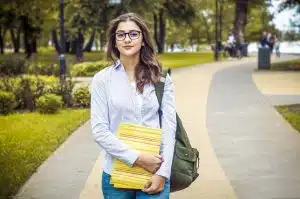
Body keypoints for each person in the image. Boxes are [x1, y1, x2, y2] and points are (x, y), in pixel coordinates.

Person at [90, 13, 176, 199]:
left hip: (155, 170)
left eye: (133, 34)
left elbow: (169, 128)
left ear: (143, 39)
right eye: (121, 34)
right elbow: (99, 131)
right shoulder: (102, 80)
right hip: (116, 173)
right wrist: (137, 158)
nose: (127, 39)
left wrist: (163, 173)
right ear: (114, 41)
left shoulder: (161, 79)